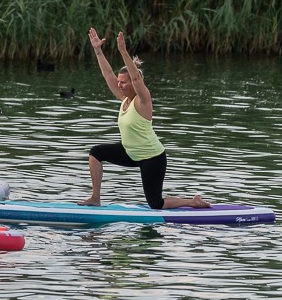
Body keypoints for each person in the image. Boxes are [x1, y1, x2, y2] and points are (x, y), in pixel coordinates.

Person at [78, 27, 210, 209]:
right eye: (119, 81)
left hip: (152, 157)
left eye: (123, 82)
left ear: (133, 83)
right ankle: (95, 198)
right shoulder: (124, 98)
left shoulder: (143, 102)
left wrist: (123, 52)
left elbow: (137, 80)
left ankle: (193, 201)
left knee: (156, 203)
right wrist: (98, 50)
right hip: (130, 152)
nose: (119, 84)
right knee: (96, 153)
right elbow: (108, 74)